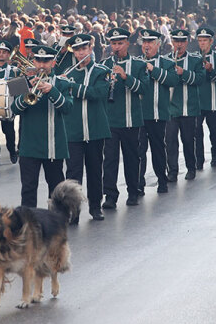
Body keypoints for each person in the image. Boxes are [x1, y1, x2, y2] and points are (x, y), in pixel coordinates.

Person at [10, 45, 73, 207]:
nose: (42, 65)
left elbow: (67, 108)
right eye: (38, 60)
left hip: (53, 145)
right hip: (29, 146)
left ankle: (57, 222)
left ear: (53, 62)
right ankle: (28, 224)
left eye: (46, 61)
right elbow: (14, 109)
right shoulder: (20, 81)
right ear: (33, 61)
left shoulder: (63, 82)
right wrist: (28, 90)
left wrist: (52, 91)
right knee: (28, 189)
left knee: (56, 190)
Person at [63, 34, 111, 220]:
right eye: (77, 50)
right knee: (73, 173)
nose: (80, 52)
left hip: (95, 129)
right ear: (73, 52)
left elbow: (98, 93)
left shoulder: (101, 71)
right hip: (73, 130)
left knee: (94, 170)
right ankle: (73, 211)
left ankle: (95, 206)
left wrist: (72, 88)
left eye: (84, 49)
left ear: (90, 49)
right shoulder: (69, 73)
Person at [101, 28, 150, 207]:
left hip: (131, 120)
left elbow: (144, 89)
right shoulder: (105, 64)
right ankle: (110, 196)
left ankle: (133, 192)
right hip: (111, 121)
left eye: (120, 43)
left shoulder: (138, 65)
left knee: (131, 158)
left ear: (127, 44)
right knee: (110, 160)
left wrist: (124, 76)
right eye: (113, 44)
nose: (117, 47)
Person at [136, 29, 178, 194]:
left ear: (158, 45)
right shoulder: (136, 61)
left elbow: (173, 80)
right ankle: (139, 183)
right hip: (139, 114)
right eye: (144, 42)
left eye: (150, 42)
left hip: (157, 114)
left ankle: (162, 180)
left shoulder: (167, 62)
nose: (146, 46)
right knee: (139, 151)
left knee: (158, 149)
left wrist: (153, 69)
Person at [166, 29, 203, 182]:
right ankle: (172, 171)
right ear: (172, 42)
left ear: (187, 42)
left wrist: (184, 73)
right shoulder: (166, 59)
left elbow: (201, 79)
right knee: (170, 141)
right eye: (176, 41)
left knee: (188, 140)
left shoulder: (195, 60)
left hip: (189, 108)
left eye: (182, 41)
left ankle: (191, 168)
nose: (179, 44)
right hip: (170, 108)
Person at [194, 27, 216, 168]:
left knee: (214, 130)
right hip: (197, 101)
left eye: (205, 41)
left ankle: (215, 156)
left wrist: (211, 70)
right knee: (196, 132)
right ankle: (199, 159)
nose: (202, 43)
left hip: (213, 100)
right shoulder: (193, 57)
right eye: (200, 40)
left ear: (211, 41)